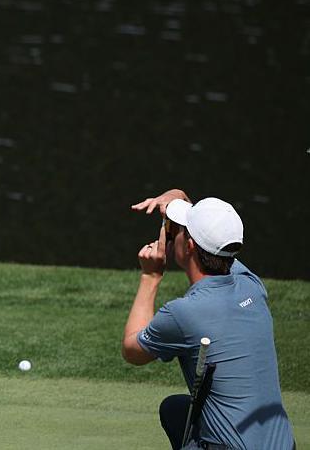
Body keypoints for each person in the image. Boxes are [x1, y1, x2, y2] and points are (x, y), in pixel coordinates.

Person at [123, 189, 295, 450]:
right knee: (176, 409)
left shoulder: (184, 313)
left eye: (179, 231)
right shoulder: (252, 286)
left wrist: (150, 277)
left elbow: (132, 351)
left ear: (189, 245)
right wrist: (180, 197)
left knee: (176, 412)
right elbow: (213, 238)